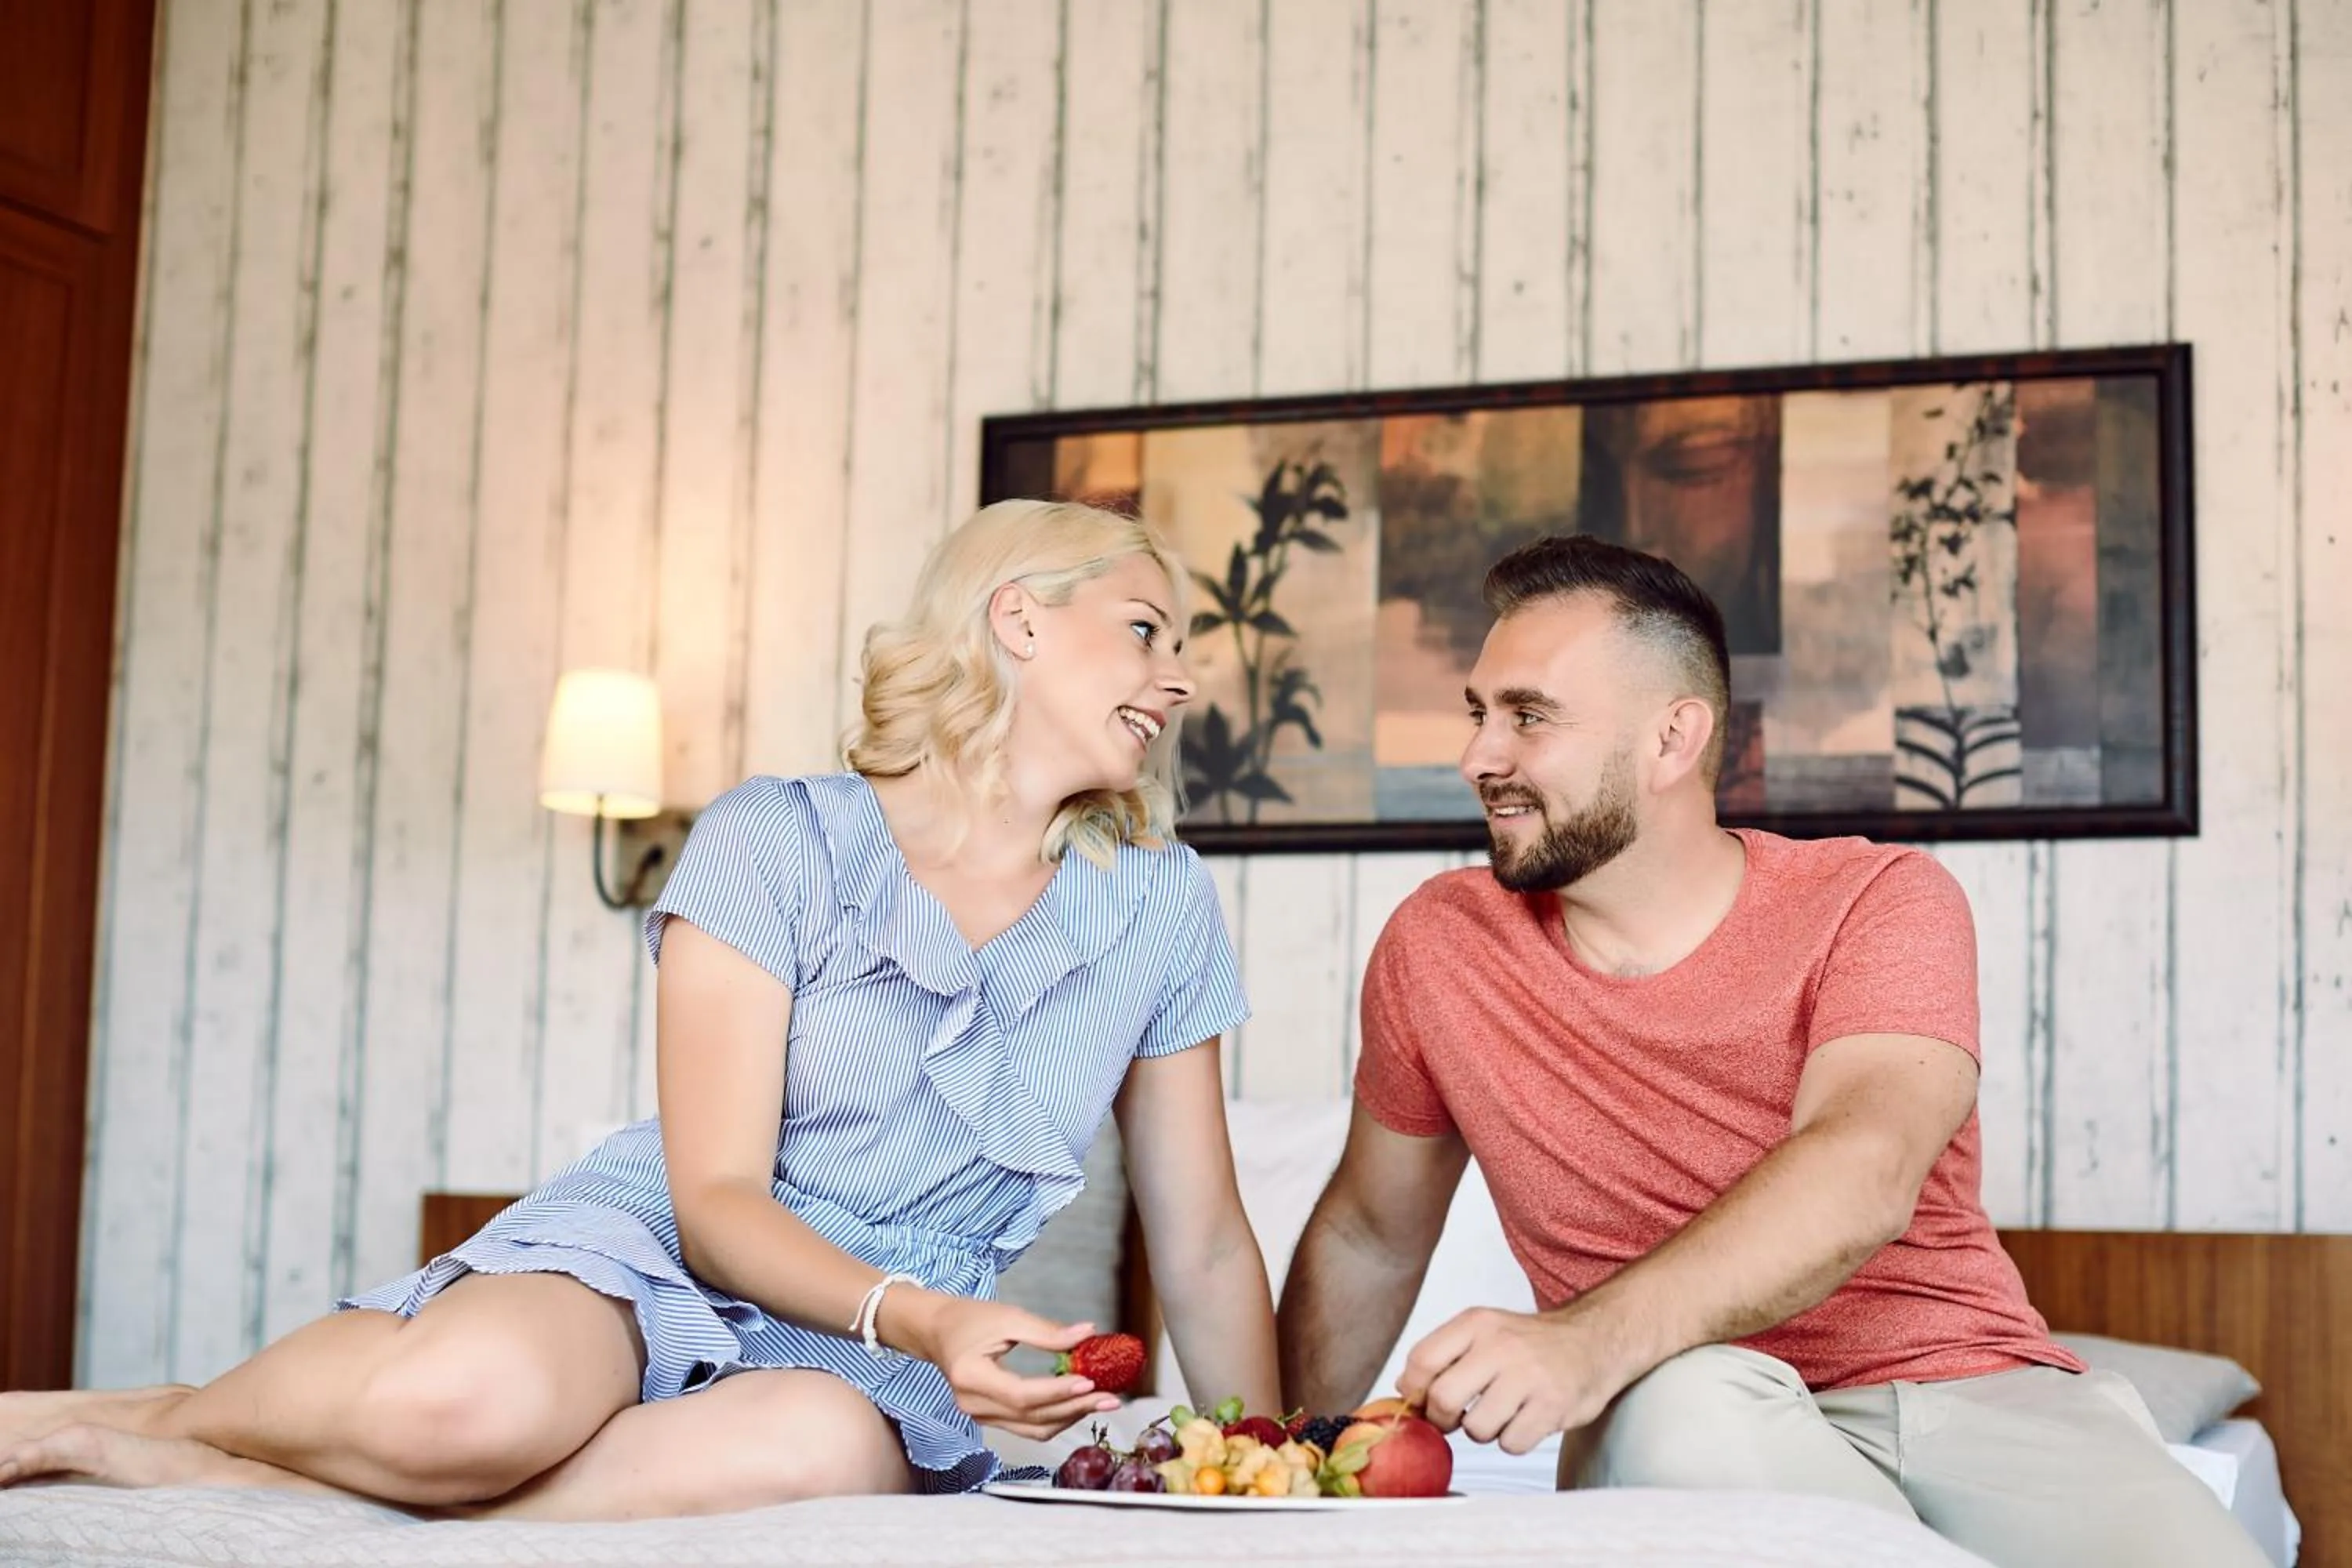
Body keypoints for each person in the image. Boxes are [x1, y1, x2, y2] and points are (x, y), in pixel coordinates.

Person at [0, 499, 1279, 1518]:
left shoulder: (1158, 908)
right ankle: (163, 1419)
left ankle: (248, 1487)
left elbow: (1208, 1240)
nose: (1178, 680)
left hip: (875, 1355)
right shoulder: (775, 839)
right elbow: (718, 1199)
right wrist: (927, 1317)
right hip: (665, 1248)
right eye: (1147, 631)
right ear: (1020, 620)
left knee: (816, 1452)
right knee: (471, 1408)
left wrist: (1271, 1464)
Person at [1276, 535, 2266, 1568]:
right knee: (1684, 1402)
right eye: (1479, 714)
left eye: (1528, 717)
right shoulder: (1437, 948)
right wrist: (1279, 1451)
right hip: (1676, 1398)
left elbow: (1864, 1164)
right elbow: (1369, 1236)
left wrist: (1582, 1340)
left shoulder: (1876, 902)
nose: (1480, 755)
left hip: (1968, 1395)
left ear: (1672, 739)